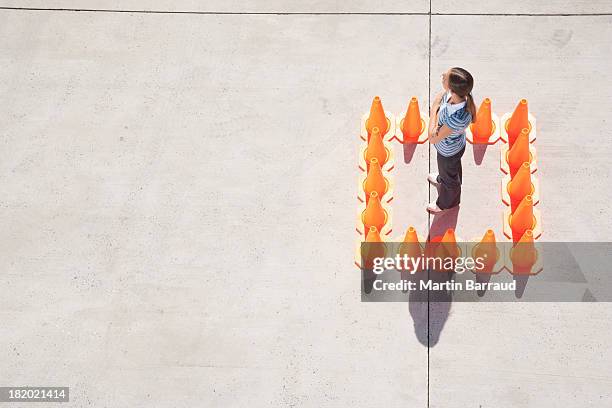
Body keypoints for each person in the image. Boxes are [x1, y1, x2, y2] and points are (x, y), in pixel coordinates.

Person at [426, 67, 476, 214]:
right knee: (449, 170)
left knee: (451, 180)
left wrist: (434, 109)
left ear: (452, 89)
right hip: (451, 147)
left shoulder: (457, 118)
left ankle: (447, 203)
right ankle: (443, 177)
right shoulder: (459, 95)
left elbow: (432, 138)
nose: (442, 75)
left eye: (445, 77)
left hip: (448, 151)